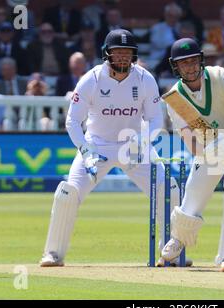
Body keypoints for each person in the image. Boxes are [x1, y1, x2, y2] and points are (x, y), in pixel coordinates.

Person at [40, 29, 191, 268]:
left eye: (127, 53)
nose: (122, 58)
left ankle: (171, 252)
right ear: (106, 55)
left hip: (134, 145)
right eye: (117, 53)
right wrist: (86, 149)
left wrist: (141, 143)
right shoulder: (91, 79)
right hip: (97, 145)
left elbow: (155, 120)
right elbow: (72, 121)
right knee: (68, 193)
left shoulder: (144, 79)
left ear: (133, 56)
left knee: (169, 189)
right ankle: (53, 254)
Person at [161, 38, 224, 272]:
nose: (190, 67)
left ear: (201, 60)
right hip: (211, 146)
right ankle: (179, 236)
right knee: (196, 188)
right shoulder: (175, 97)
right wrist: (208, 153)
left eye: (194, 61)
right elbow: (189, 139)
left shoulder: (223, 77)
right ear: (176, 67)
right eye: (184, 63)